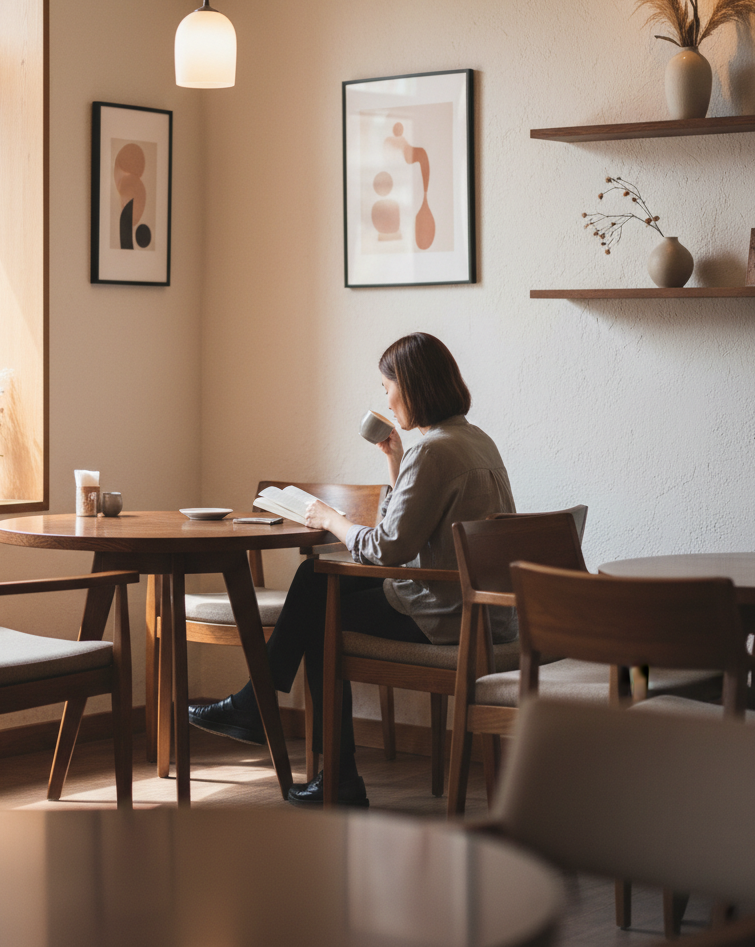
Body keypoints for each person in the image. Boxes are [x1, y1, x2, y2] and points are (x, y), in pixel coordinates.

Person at [189, 332, 516, 807]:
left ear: (411, 386)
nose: (385, 396)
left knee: (320, 599)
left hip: (445, 614)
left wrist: (330, 520)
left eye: (387, 386)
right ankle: (284, 731)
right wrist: (396, 462)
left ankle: (272, 719)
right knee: (320, 592)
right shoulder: (473, 441)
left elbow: (386, 550)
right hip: (484, 611)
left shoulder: (435, 452)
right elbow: (411, 532)